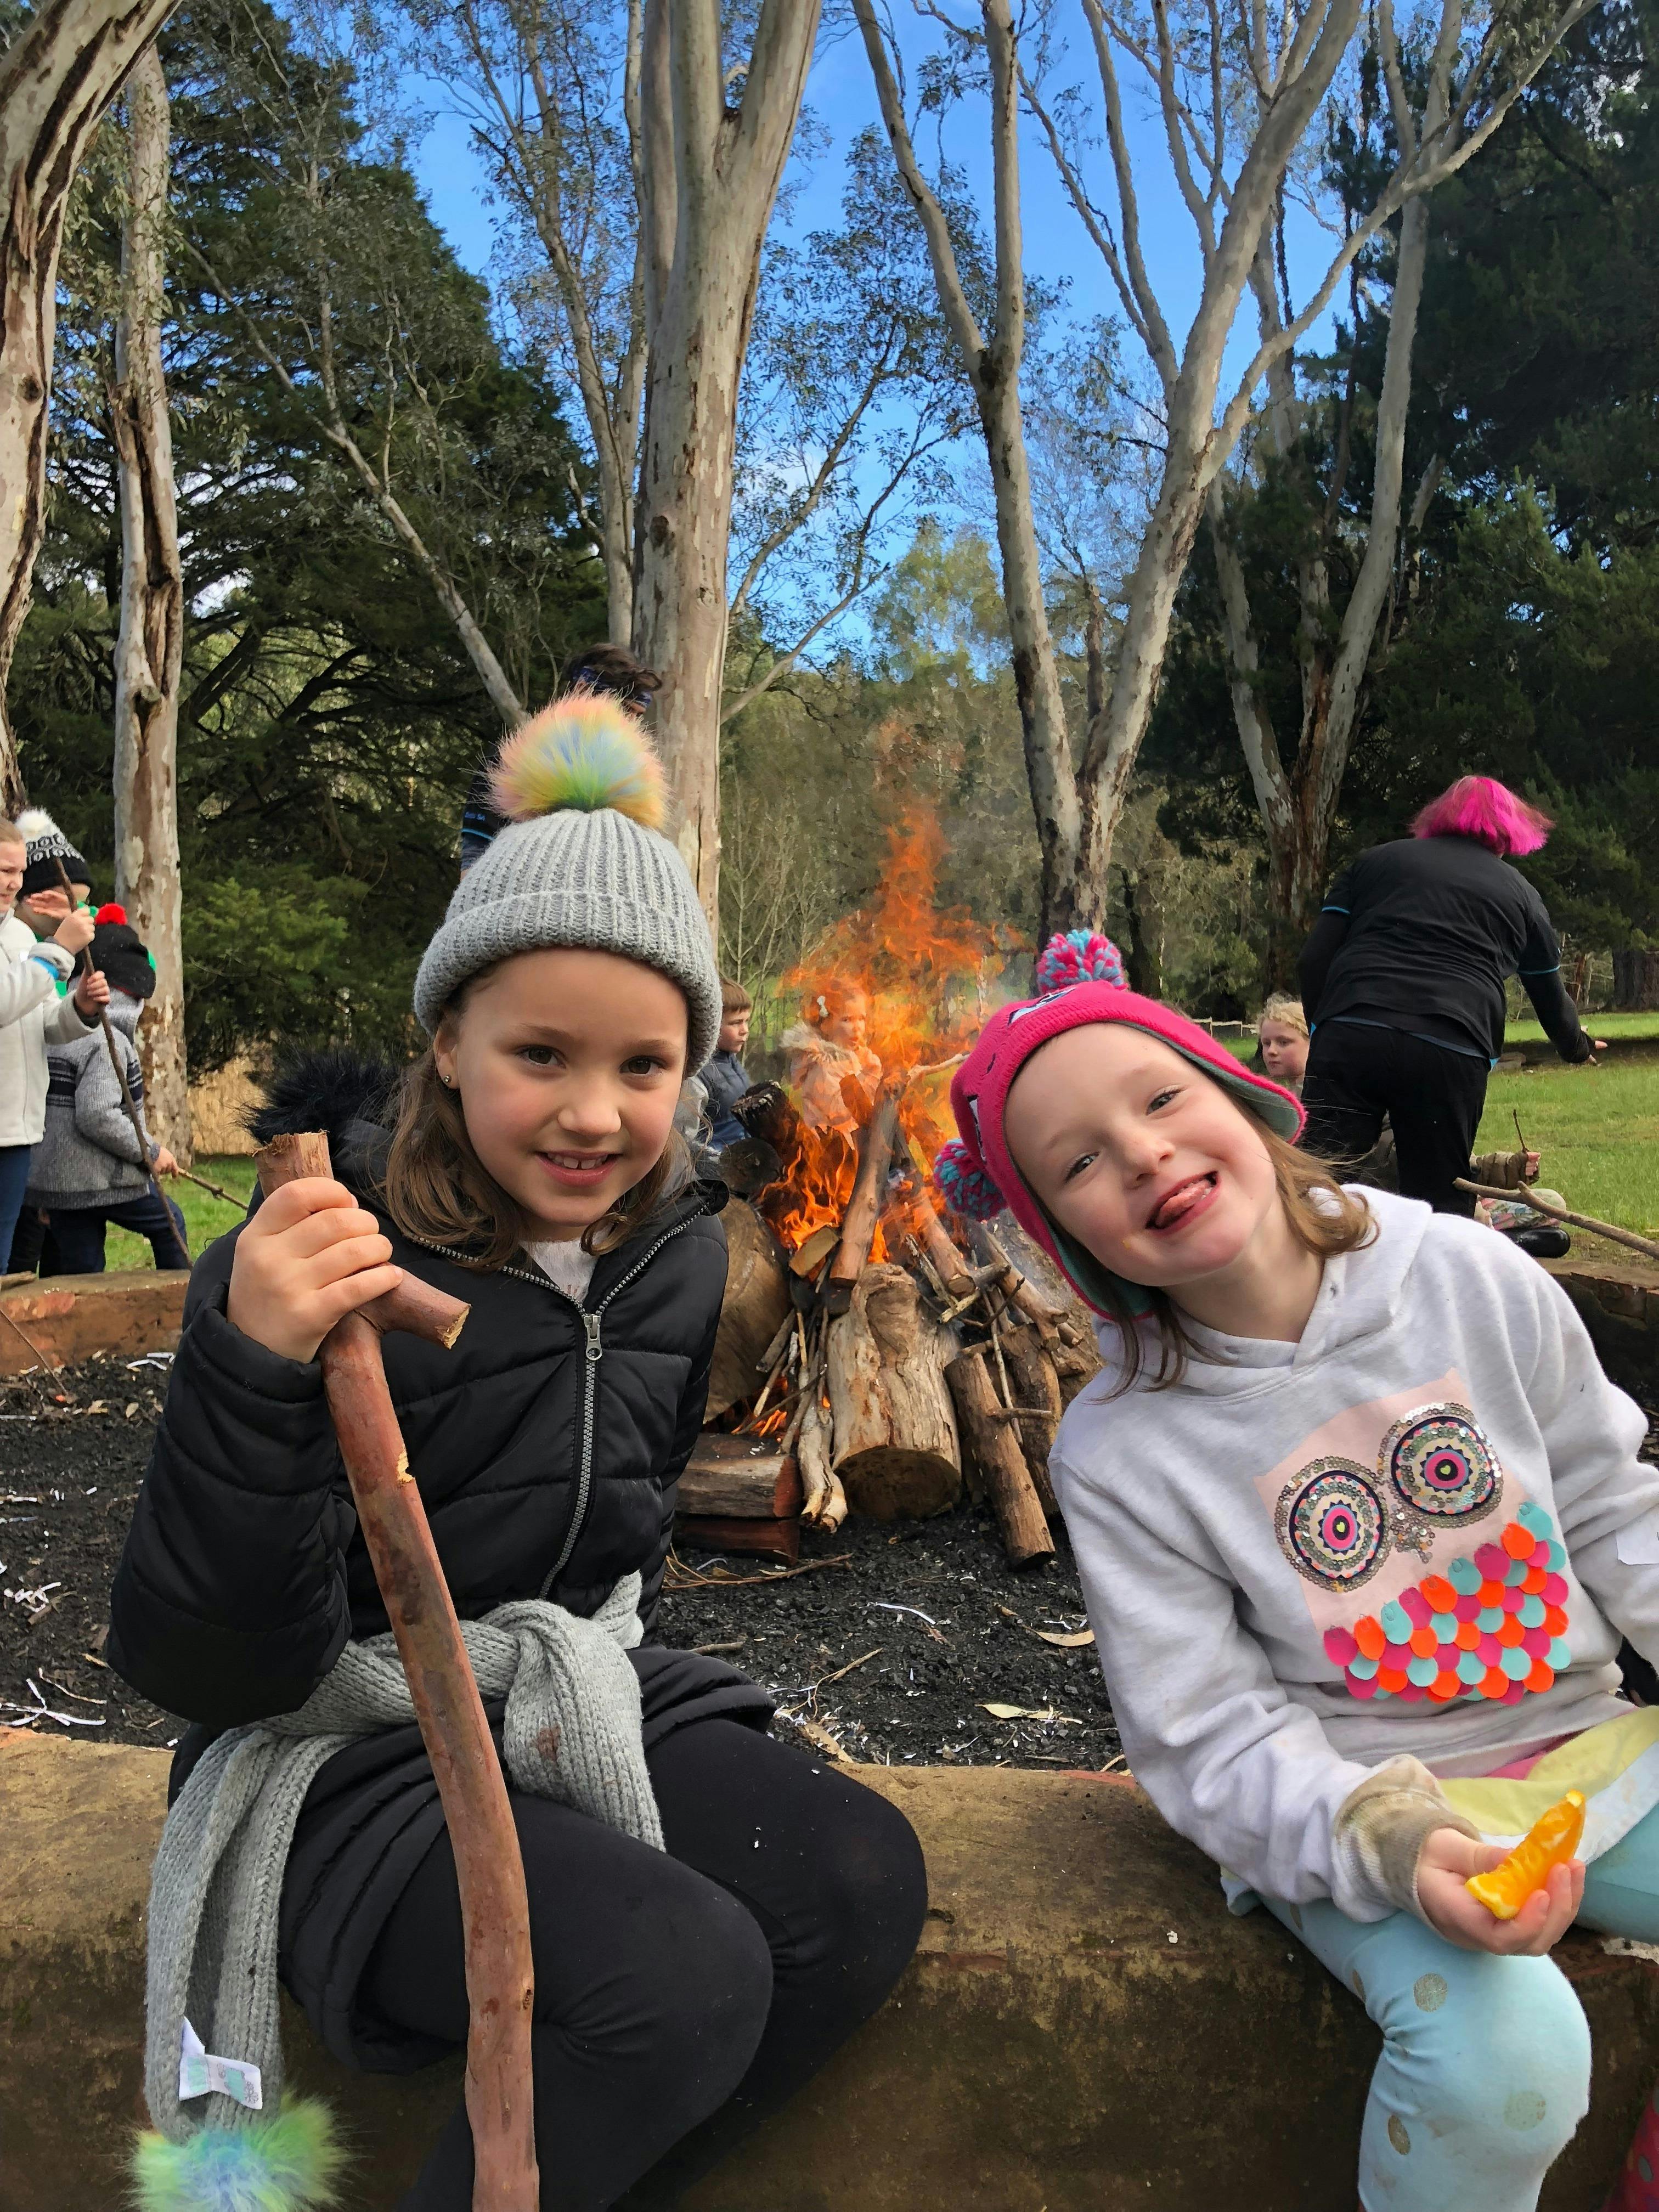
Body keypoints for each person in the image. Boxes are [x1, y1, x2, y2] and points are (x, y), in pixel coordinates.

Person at [109, 695, 925, 2212]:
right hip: (337, 1742)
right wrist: (248, 1366)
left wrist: (583, 1732)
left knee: (860, 1885)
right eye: (539, 1052)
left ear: (697, 1060)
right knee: (675, 1979)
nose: (593, 1112)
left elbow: (609, 1551)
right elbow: (204, 1665)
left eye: (645, 1064)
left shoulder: (684, 1251)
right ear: (447, 1037)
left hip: (564, 1677)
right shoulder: (321, 1268)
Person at [935, 926, 1659, 2212]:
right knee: (1510, 2062)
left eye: (1162, 1099)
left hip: (1585, 1747)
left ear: (1246, 1097)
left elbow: (1613, 1502)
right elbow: (1205, 1730)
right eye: (1081, 1163)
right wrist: (1385, 1838)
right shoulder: (1122, 1451)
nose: (1145, 1153)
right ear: (1062, 1239)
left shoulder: (1468, 1276)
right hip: (1359, 1810)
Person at [1298, 776, 1606, 1215]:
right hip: (1450, 1045)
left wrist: (1323, 1027)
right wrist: (1578, 1047)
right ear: (1509, 836)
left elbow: (1313, 961)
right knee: (1440, 1201)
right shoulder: (1522, 896)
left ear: (1436, 819)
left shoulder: (1372, 864)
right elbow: (1550, 998)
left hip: (1353, 1031)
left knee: (1315, 1188)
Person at [25, 905, 185, 1274]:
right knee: (169, 1222)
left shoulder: (56, 1032)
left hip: (57, 1183)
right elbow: (98, 1115)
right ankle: (180, 1307)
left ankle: (70, 1330)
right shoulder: (106, 1041)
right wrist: (151, 1151)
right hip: (96, 1179)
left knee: (79, 1270)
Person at [0, 817, 109, 1267]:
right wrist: (61, 950)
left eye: (19, 871)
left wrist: (79, 1008)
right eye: (4, 871)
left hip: (17, 1129)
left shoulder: (18, 934)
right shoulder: (39, 943)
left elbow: (40, 1021)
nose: (14, 883)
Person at [459, 644, 662, 872]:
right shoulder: (507, 762)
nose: (632, 727)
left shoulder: (636, 778)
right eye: (624, 711)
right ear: (582, 691)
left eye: (638, 717)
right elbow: (473, 863)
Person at [782, 982, 881, 1135]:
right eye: (847, 1020)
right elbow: (839, 1112)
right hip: (832, 1150)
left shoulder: (849, 1058)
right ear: (825, 1025)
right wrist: (869, 1076)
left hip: (854, 1144)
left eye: (861, 1019)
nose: (857, 1027)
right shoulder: (822, 1066)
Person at [703, 980, 753, 1151]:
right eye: (736, 1023)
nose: (745, 1030)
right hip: (716, 1171)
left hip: (742, 1163)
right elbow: (687, 1138)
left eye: (747, 1021)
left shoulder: (731, 1060)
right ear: (711, 1025)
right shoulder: (698, 1073)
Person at [1255, 994, 1308, 1094]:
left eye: (1284, 1042)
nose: (1271, 1051)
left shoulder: (1319, 1098)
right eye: (1266, 1043)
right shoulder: (1294, 1094)